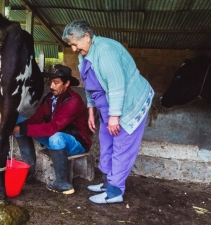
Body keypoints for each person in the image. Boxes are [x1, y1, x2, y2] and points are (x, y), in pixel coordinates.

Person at [62, 20, 154, 204]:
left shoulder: (105, 52)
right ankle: (106, 182)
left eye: (74, 43)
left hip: (128, 104)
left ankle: (115, 191)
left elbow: (117, 85)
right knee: (106, 140)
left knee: (122, 145)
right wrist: (90, 110)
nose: (73, 49)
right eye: (70, 45)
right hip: (107, 106)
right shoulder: (85, 53)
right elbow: (88, 84)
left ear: (87, 37)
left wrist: (115, 116)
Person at [13, 64, 92, 195]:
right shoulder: (49, 98)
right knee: (19, 121)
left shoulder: (74, 101)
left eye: (56, 83)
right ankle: (29, 169)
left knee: (55, 137)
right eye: (51, 82)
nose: (51, 86)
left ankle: (63, 183)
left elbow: (53, 127)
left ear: (66, 83)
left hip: (76, 142)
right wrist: (17, 127)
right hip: (56, 136)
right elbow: (36, 119)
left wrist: (22, 130)